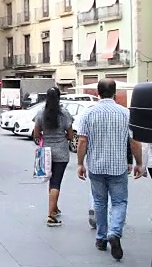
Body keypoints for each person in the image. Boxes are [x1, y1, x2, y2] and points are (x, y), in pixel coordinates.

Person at [76, 79, 143, 261]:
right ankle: (115, 233)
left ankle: (101, 238)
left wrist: (80, 163)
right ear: (115, 93)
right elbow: (134, 141)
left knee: (99, 202)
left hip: (96, 166)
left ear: (98, 93)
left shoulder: (88, 113)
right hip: (118, 167)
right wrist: (139, 162)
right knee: (119, 202)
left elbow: (82, 141)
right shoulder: (125, 114)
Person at [32, 88, 73, 227]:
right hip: (61, 152)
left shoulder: (40, 114)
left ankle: (54, 207)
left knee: (51, 181)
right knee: (56, 182)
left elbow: (36, 134)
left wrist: (44, 137)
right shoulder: (65, 114)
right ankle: (50, 215)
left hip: (46, 152)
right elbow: (71, 135)